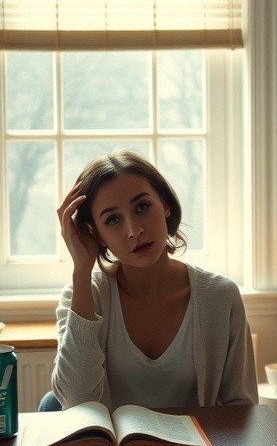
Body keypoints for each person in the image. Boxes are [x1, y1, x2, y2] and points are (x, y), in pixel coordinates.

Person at [49, 150, 258, 410]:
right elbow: (76, 402)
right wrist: (81, 269)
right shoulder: (81, 296)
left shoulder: (220, 297)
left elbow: (242, 408)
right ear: (96, 234)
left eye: (142, 207)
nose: (134, 230)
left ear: (166, 205)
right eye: (113, 220)